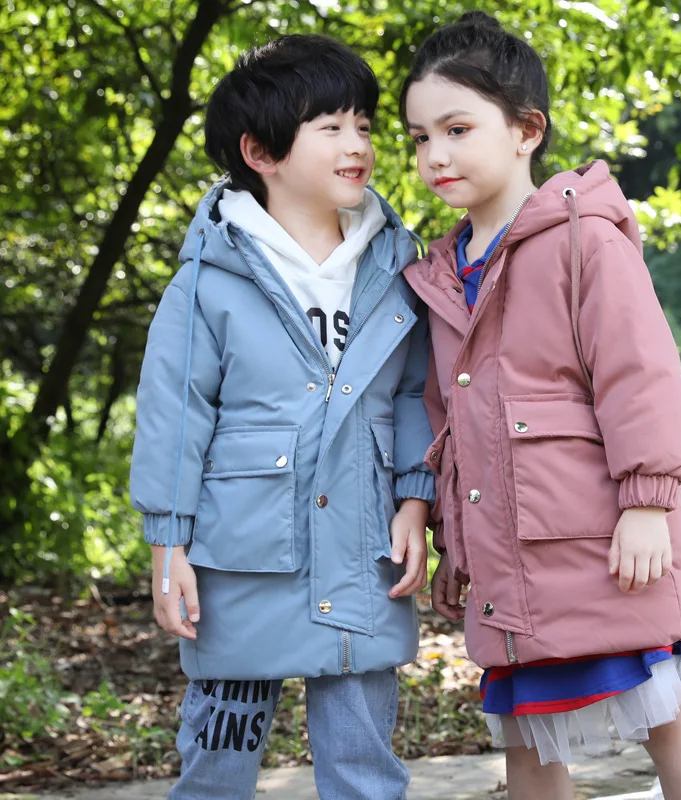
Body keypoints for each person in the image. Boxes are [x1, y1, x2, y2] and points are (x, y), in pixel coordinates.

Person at [399, 12, 681, 800]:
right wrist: (454, 543)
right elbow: (448, 422)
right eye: (419, 138)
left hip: (602, 541)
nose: (435, 154)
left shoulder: (584, 239)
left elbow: (639, 373)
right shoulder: (441, 275)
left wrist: (647, 502)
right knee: (527, 729)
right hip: (510, 561)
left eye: (457, 129)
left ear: (526, 130)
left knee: (664, 709)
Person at [129, 34, 434, 800]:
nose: (356, 143)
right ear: (260, 151)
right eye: (330, 126)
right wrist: (168, 545)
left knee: (365, 768)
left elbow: (413, 393)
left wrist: (415, 497)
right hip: (239, 556)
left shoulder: (398, 266)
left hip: (363, 550)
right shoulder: (211, 278)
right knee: (217, 765)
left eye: (363, 124)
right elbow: (175, 415)